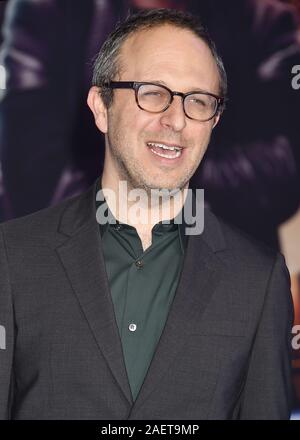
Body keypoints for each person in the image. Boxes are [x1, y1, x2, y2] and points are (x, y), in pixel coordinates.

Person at [0, 9, 294, 420]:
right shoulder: (11, 258)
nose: (175, 120)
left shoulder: (258, 281)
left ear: (214, 120)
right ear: (101, 107)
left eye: (198, 101)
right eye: (152, 92)